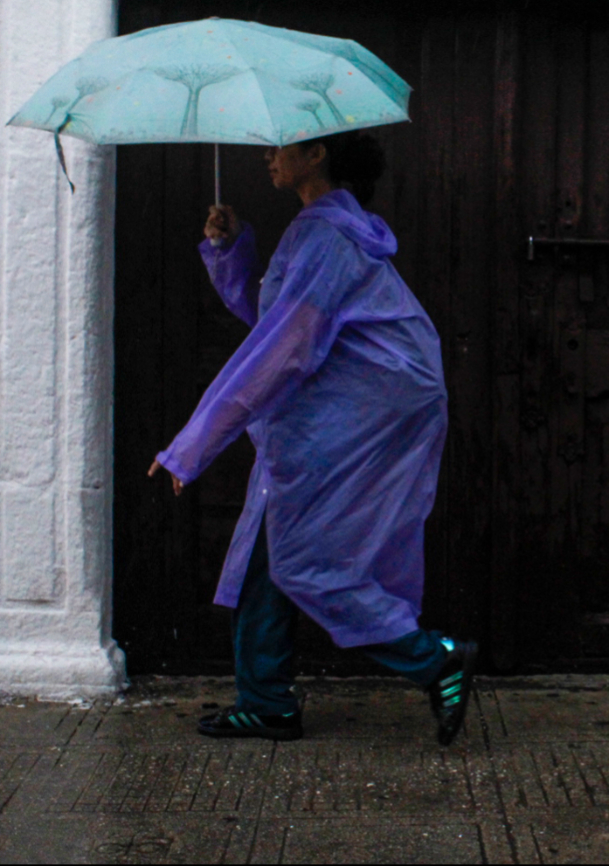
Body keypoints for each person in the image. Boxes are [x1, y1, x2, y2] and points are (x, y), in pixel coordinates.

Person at [149, 131, 477, 745]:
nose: (268, 156)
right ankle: (265, 700)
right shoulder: (320, 229)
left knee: (304, 560)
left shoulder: (325, 236)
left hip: (354, 417)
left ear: (319, 154)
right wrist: (228, 251)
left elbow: (285, 348)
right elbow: (280, 324)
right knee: (268, 547)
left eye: (281, 145)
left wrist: (194, 444)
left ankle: (435, 658)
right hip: (330, 411)